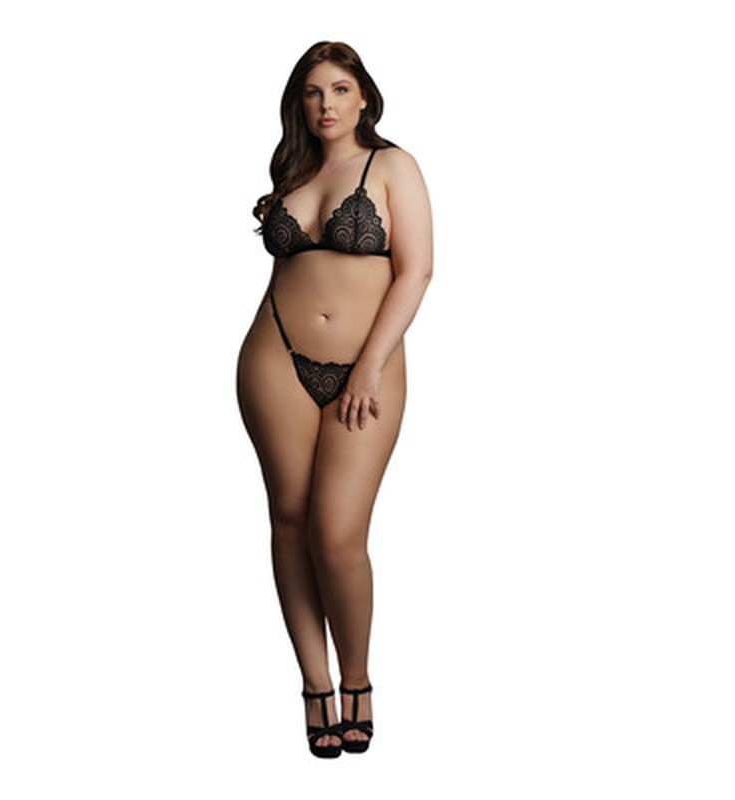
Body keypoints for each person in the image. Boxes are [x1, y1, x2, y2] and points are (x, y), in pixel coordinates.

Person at [236, 40, 433, 758]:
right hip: (272, 358)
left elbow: (416, 271)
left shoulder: (394, 166)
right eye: (314, 92)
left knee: (338, 534)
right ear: (301, 102)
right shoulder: (292, 174)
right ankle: (314, 686)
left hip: (366, 369)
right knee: (289, 523)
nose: (327, 104)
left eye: (340, 89)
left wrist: (368, 368)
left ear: (365, 97)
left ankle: (357, 680)